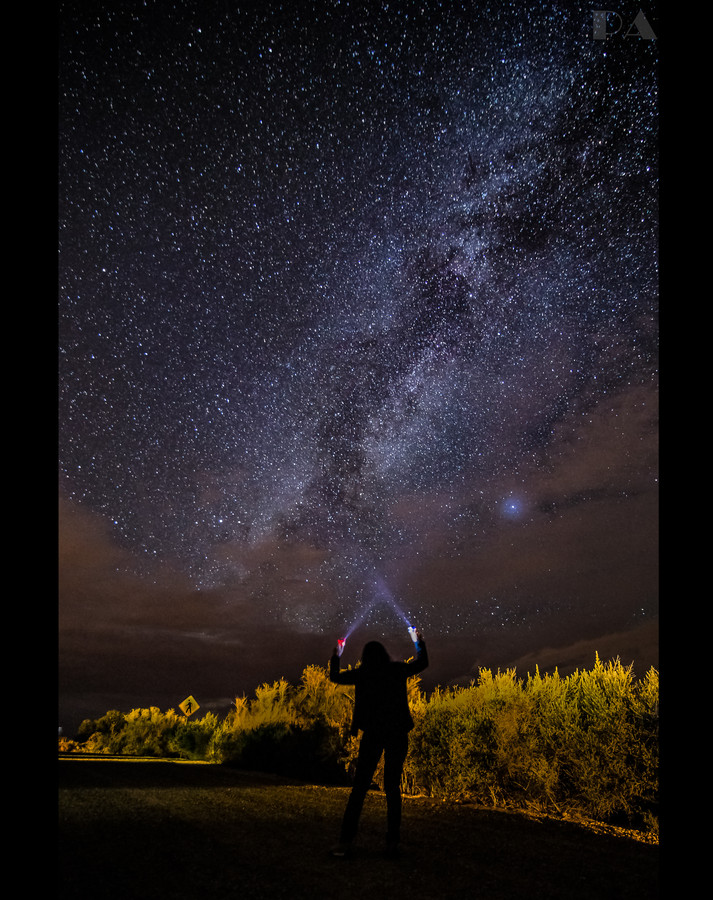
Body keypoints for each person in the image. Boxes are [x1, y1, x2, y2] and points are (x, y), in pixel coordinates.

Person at [328, 631, 428, 858]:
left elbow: (334, 676)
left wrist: (338, 655)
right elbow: (423, 663)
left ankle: (344, 843)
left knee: (360, 788)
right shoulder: (397, 670)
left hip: (373, 734)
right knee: (392, 788)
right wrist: (418, 642)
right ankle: (392, 843)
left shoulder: (363, 673)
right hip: (397, 733)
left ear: (365, 656)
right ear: (384, 654)